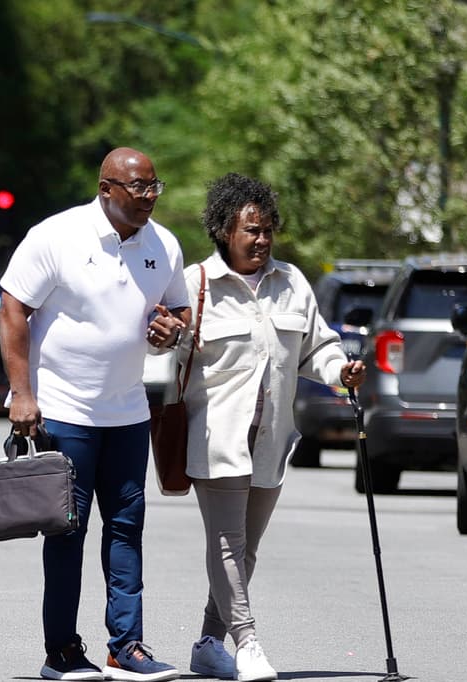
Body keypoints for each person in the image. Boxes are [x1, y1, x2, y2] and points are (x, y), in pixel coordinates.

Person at [0, 147, 191, 682]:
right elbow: (13, 308)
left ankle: (126, 646)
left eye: (155, 186)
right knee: (68, 532)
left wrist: (172, 329)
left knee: (127, 530)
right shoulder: (56, 236)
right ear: (107, 187)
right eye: (139, 188)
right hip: (63, 410)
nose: (149, 197)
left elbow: (177, 310)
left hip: (129, 411)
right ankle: (60, 651)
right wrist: (22, 394)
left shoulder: (163, 244)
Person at [180, 173, 366, 682]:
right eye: (251, 231)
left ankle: (207, 645)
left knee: (246, 548)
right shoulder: (195, 285)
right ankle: (249, 643)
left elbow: (317, 348)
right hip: (216, 438)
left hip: (271, 441)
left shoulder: (292, 283)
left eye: (267, 231)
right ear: (223, 230)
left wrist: (339, 372)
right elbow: (164, 346)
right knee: (227, 544)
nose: (262, 240)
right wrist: (162, 336)